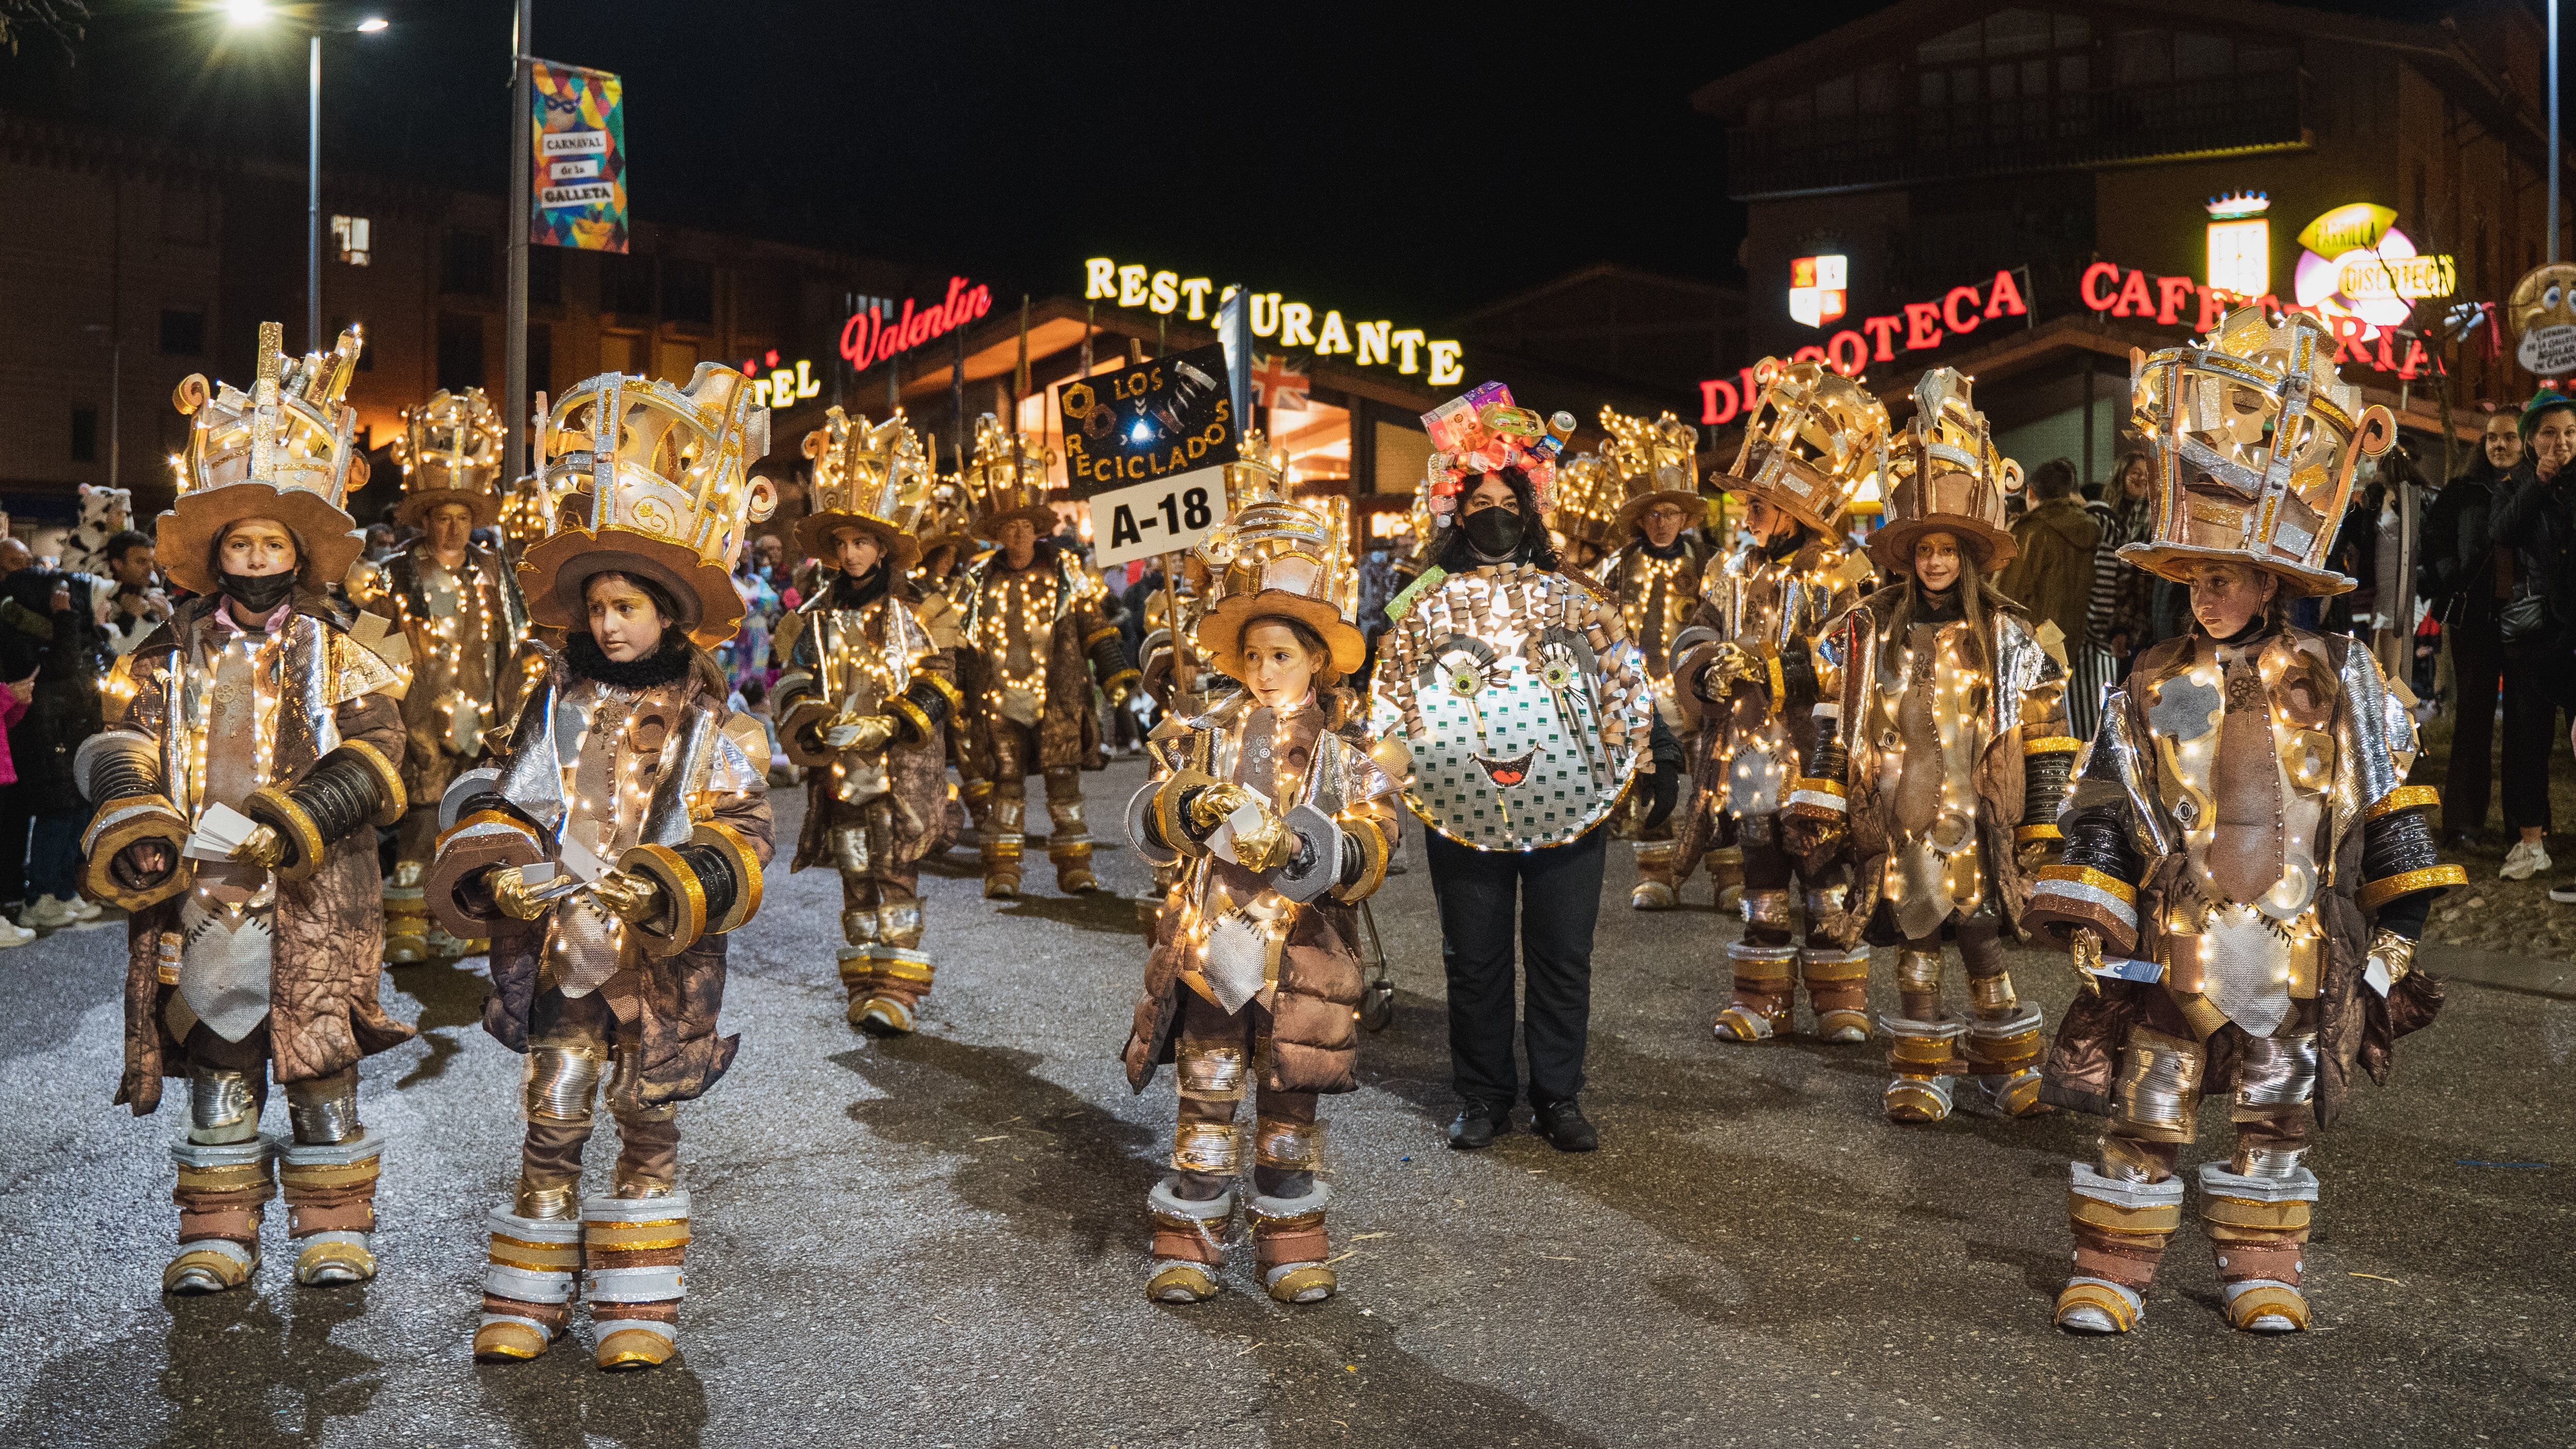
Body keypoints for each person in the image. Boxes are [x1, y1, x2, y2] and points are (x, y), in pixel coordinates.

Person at [2025, 308, 2461, 1336]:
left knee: (2277, 1111)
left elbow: (2388, 804)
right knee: (2147, 1106)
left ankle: (2263, 1264)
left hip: (2299, 940)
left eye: (2222, 576)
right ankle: (2111, 1263)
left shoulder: (2341, 676)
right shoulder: (2156, 678)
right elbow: (2109, 799)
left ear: (2273, 577)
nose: (2205, 593)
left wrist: (2395, 932)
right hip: (2175, 941)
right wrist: (2095, 908)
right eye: (2191, 577)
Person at [430, 364, 776, 1371]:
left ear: (670, 611)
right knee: (554, 1101)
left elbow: (744, 836)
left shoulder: (719, 722)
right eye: (598, 604)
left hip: (666, 959)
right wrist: (498, 875)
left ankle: (637, 1294)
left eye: (629, 603)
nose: (612, 621)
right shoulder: (556, 706)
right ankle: (530, 1287)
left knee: (646, 1110)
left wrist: (674, 881)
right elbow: (506, 803)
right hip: (561, 948)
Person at [75, 322, 412, 1296]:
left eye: (271, 539)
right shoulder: (166, 646)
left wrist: (294, 819)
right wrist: (137, 820)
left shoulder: (344, 640)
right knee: (218, 1053)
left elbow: (378, 751)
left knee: (315, 1057)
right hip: (200, 892)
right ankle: (217, 1233)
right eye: (239, 540)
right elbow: (125, 738)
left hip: (310, 884)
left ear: (296, 551)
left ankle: (331, 1228)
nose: (255, 554)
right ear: (216, 551)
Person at [1375, 382, 1673, 1153]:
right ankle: (1481, 1096)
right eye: (1477, 503)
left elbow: (1621, 679)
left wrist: (1655, 746)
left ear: (1530, 508)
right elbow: (1391, 703)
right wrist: (1381, 780)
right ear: (1455, 510)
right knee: (1472, 961)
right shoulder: (1422, 606)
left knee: (1561, 957)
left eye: (1507, 501)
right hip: (1460, 804)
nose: (1493, 514)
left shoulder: (1577, 598)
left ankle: (1557, 1096)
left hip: (1570, 803)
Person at [1120, 492, 1397, 1305]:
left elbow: (1378, 842)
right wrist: (1184, 805)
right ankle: (1190, 1241)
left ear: (1318, 659)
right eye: (1254, 656)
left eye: (1282, 654)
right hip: (1213, 956)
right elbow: (1148, 818)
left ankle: (1291, 1244)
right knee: (1205, 1101)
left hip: (1303, 960)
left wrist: (1316, 849)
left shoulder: (1350, 752)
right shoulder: (1201, 734)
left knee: (1287, 1110)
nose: (1265, 670)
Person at [1792, 369, 2072, 1122]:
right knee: (1916, 945)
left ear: (1970, 556)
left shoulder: (2009, 636)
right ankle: (1920, 1071)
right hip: (1900, 818)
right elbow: (1839, 717)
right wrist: (1826, 796)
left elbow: (2043, 733)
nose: (1937, 562)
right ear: (1909, 555)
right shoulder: (1870, 629)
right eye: (1926, 550)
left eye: (1950, 549)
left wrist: (2040, 823)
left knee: (1983, 944)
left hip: (1975, 823)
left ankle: (2006, 1070)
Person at [1671, 362, 1877, 1043]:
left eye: (1757, 503)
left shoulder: (1844, 569)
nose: (1745, 515)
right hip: (1751, 751)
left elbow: (1855, 656)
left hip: (1820, 751)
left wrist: (1766, 666)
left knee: (1824, 873)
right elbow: (1697, 631)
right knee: (1760, 872)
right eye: (1743, 504)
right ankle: (1761, 998)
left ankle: (1839, 996)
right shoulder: (1730, 569)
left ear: (1793, 505)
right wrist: (1704, 670)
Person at [771, 407, 959, 1035]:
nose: (852, 554)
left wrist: (895, 723)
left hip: (899, 769)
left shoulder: (917, 607)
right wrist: (816, 726)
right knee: (855, 874)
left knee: (895, 870)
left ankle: (897, 991)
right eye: (843, 543)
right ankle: (862, 983)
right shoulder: (814, 616)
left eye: (862, 542)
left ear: (882, 545)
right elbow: (793, 680)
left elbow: (940, 677)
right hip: (840, 774)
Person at [369, 388, 532, 965]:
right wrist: (392, 719)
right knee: (416, 823)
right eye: (444, 519)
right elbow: (370, 654)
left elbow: (515, 646)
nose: (453, 530)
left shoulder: (494, 571)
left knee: (471, 821)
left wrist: (508, 717)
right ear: (427, 520)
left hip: (480, 719)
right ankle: (408, 921)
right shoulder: (392, 576)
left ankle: (458, 913)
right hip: (415, 717)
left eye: (463, 519)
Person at [952, 415, 1137, 898]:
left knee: (1063, 784)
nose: (1017, 535)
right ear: (998, 532)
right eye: (1009, 527)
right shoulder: (977, 580)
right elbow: (956, 642)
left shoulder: (1066, 572)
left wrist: (1116, 673)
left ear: (1037, 529)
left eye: (1025, 526)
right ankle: (1003, 871)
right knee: (1005, 788)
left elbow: (1094, 625)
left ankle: (1075, 867)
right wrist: (952, 692)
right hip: (999, 700)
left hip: (1056, 695)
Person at [1594, 406, 1714, 909]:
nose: (1662, 522)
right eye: (1653, 513)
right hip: (1640, 691)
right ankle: (1655, 874)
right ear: (1641, 519)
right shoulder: (1616, 565)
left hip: (1702, 688)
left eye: (1670, 512)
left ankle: (1728, 876)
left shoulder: (1712, 562)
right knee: (1652, 780)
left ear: (1685, 517)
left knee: (1714, 782)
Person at [2486, 389, 2576, 885]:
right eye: (2549, 433)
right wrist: (2539, 482)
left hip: (2575, 627)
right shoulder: (2516, 483)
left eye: (2569, 433)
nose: (2560, 443)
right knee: (2529, 741)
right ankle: (2531, 840)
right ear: (2530, 440)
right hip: (2534, 632)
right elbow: (2501, 530)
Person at [2419, 410, 2519, 846]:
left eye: (2510, 438)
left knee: (2524, 723)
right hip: (2474, 618)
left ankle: (2527, 822)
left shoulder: (2539, 488)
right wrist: (2452, 575)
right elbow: (2436, 538)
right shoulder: (2462, 491)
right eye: (2493, 438)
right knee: (2473, 720)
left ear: (2525, 441)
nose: (2500, 445)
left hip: (2526, 620)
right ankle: (2462, 821)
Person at [0, 530, 109, 931]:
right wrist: (65, 619)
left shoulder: (43, 626)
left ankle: (60, 891)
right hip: (42, 740)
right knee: (54, 814)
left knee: (70, 811)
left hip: (62, 736)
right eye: (18, 564)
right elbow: (60, 667)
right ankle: (40, 896)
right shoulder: (18, 629)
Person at [2075, 450, 2159, 739]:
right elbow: (2114, 576)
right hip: (2112, 618)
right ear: (2121, 474)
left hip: (2139, 615)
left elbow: (2132, 576)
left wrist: (2120, 626)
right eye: (2135, 472)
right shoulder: (2109, 516)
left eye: (2147, 476)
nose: (2140, 479)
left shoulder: (2151, 513)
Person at [1996, 456, 2099, 650]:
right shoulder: (2087, 527)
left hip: (2029, 641)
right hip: (2069, 640)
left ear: (2031, 492)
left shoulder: (2029, 531)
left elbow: (2007, 593)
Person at [99, 529, 172, 657]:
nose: (150, 568)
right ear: (118, 564)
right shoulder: (101, 598)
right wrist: (127, 617)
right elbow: (103, 650)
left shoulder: (157, 596)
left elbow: (175, 647)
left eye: (151, 561)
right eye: (141, 562)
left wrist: (167, 617)